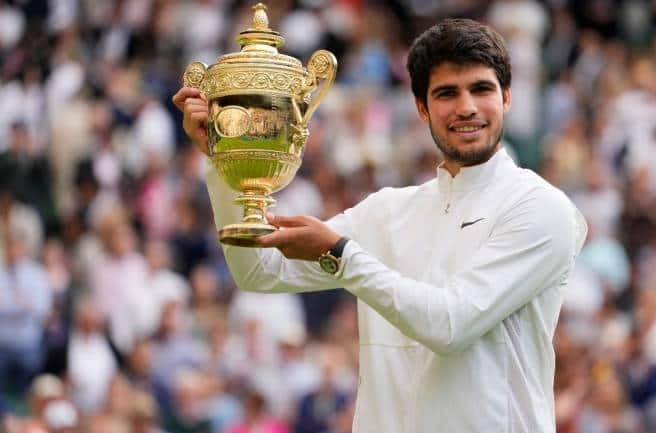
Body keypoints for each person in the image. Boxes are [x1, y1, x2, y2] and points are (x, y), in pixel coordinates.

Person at [173, 18, 587, 433]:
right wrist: (223, 159)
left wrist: (340, 255)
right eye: (447, 93)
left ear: (507, 98)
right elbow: (259, 271)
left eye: (481, 89)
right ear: (422, 107)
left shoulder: (541, 208)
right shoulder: (389, 210)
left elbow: (451, 325)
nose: (466, 107)